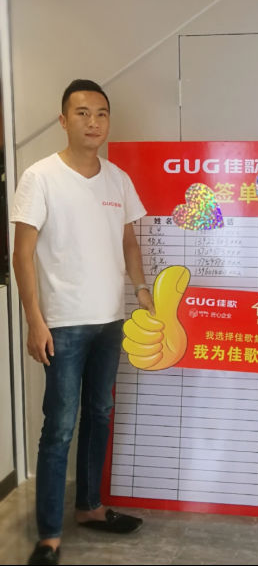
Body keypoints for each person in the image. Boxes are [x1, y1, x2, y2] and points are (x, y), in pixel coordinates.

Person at [11, 80, 155, 566]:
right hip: (64, 324)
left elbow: (129, 242)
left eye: (101, 113)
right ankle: (49, 536)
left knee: (99, 414)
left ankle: (90, 507)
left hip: (110, 320)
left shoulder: (117, 179)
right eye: (82, 113)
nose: (93, 122)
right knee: (59, 427)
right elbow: (23, 254)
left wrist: (141, 289)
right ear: (63, 120)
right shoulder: (41, 177)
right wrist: (35, 320)